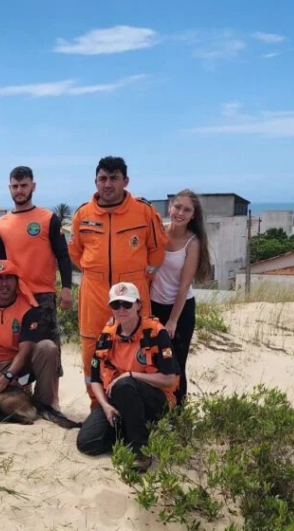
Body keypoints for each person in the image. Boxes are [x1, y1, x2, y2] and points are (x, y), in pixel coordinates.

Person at [69, 156, 167, 407]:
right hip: (94, 291)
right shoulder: (82, 214)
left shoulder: (143, 211)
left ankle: (136, 404)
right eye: (103, 179)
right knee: (92, 347)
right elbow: (76, 253)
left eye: (114, 178)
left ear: (126, 181)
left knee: (141, 345)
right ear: (95, 182)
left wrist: (139, 276)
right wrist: (97, 272)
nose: (108, 184)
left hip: (133, 291)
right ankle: (97, 405)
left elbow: (157, 250)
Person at [75, 282, 179, 472]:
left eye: (127, 304)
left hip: (154, 399)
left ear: (138, 305)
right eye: (116, 305)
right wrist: (105, 406)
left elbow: (169, 379)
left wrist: (131, 375)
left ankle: (141, 450)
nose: (121, 309)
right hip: (117, 400)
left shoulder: (156, 332)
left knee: (125, 385)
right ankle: (129, 430)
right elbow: (95, 379)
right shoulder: (106, 336)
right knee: (87, 443)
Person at [0, 260, 77, 427]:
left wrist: (8, 377)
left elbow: (25, 350)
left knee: (48, 347)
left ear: (16, 281)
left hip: (19, 365)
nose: (4, 284)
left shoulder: (28, 308)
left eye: (9, 278)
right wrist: (0, 379)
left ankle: (43, 403)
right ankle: (18, 391)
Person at [0, 166, 74, 349]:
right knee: (15, 352)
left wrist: (67, 288)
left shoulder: (49, 218)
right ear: (9, 188)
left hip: (42, 297)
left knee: (47, 351)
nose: (19, 190)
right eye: (15, 186)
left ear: (33, 186)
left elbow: (63, 255)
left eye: (24, 185)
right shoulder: (1, 224)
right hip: (14, 296)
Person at [149, 190, 211, 408]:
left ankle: (178, 414)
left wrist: (173, 321)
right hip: (153, 306)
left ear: (193, 215)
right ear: (170, 207)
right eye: (177, 207)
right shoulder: (158, 232)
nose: (180, 213)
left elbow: (184, 286)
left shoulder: (192, 243)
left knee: (175, 363)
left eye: (187, 210)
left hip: (180, 310)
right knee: (153, 361)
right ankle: (156, 411)